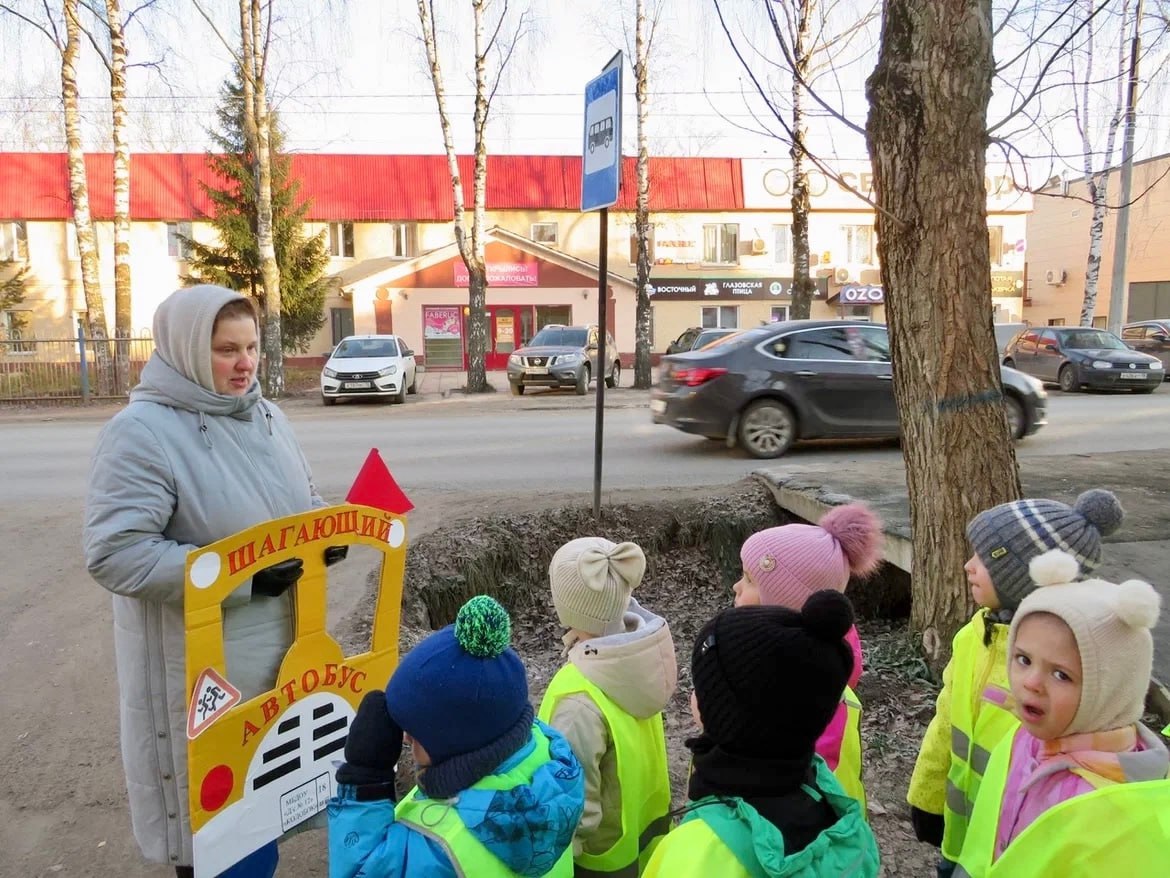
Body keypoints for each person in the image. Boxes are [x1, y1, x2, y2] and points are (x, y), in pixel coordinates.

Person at [84, 285, 330, 877]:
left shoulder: (268, 416)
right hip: (200, 677)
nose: (245, 363)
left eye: (250, 346)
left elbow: (304, 502)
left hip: (276, 668)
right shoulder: (141, 433)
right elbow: (116, 553)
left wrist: (329, 532)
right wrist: (243, 579)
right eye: (226, 350)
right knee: (218, 842)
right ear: (187, 351)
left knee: (261, 818)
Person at [906, 489, 1124, 876]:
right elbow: (945, 725)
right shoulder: (974, 636)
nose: (968, 566)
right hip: (962, 840)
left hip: (1020, 853)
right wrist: (928, 796)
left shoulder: (1067, 670)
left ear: (1022, 576)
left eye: (985, 559)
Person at [328, 595, 586, 878]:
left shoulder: (440, 849)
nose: (404, 737)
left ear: (456, 744)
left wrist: (365, 785)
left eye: (415, 732)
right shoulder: (548, 753)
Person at [955, 551, 1170, 876]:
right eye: (1023, 659)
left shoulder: (1121, 821)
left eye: (1061, 675)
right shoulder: (1021, 738)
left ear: (1111, 690)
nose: (1030, 683)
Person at [643, 592, 880, 877]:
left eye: (704, 689)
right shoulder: (836, 809)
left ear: (732, 717)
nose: (694, 695)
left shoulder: (696, 851)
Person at [537, 538, 677, 875]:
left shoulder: (577, 698)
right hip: (648, 833)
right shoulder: (639, 653)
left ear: (568, 608)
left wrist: (561, 858)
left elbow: (574, 793)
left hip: (599, 858)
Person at [732, 503, 884, 810]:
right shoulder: (790, 666)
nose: (736, 586)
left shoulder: (808, 692)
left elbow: (791, 784)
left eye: (749, 579)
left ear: (786, 603)